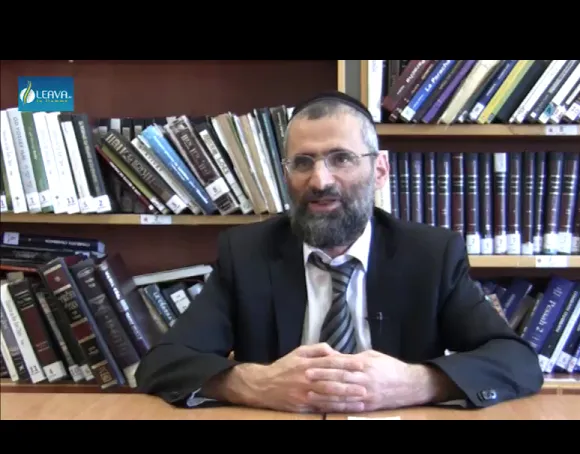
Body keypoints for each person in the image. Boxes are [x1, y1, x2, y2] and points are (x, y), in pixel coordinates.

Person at [135, 91, 544, 413]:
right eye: (303, 163)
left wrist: (417, 382)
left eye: (341, 159)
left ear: (379, 170)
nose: (320, 181)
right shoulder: (246, 253)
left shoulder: (432, 255)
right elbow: (163, 363)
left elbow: (517, 360)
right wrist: (256, 384)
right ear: (285, 175)